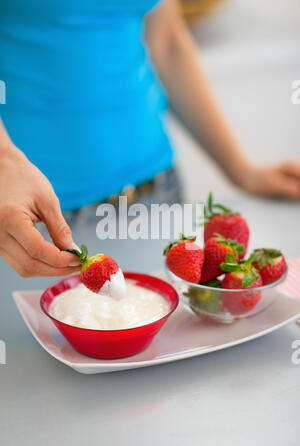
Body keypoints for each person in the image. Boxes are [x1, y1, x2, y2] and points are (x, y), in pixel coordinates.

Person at [0, 0, 299, 278]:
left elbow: (166, 39)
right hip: (36, 213)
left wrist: (242, 171)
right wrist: (4, 161)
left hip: (157, 191)